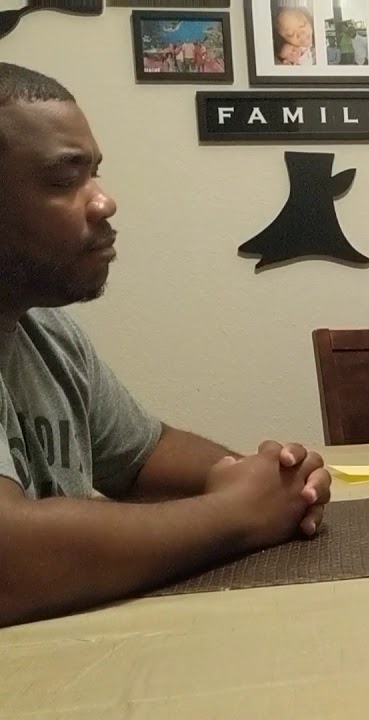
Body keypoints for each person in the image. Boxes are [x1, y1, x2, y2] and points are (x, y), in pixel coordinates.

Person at [0, 62, 333, 627]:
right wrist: (238, 515)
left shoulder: (46, 331)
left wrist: (274, 479)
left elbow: (142, 455)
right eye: (63, 179)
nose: (104, 202)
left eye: (95, 174)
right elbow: (10, 565)